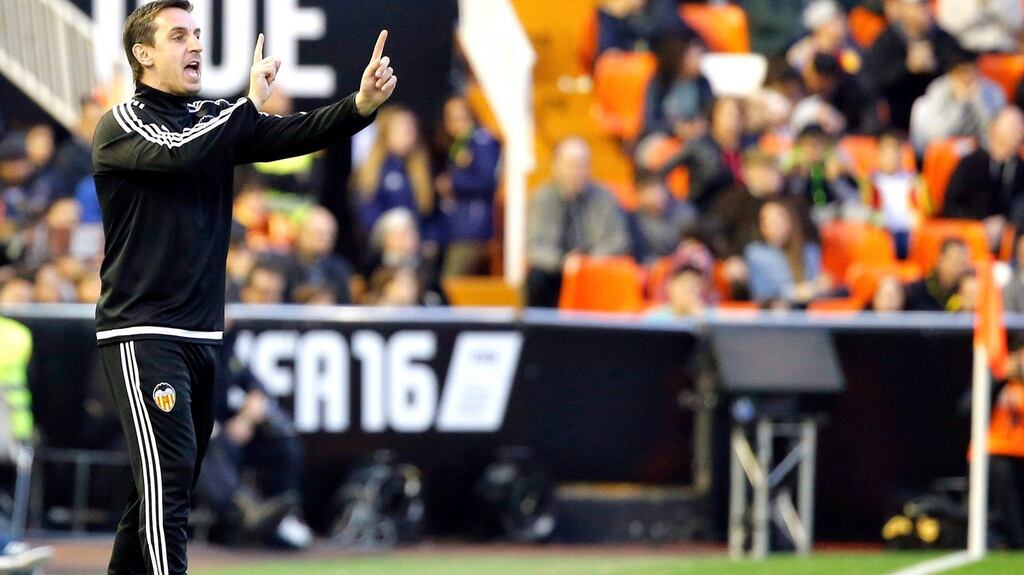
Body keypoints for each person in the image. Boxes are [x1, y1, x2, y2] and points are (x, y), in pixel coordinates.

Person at [91, 2, 394, 573]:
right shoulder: (123, 123)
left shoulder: (214, 119)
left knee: (158, 489)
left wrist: (359, 106)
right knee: (169, 480)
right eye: (178, 36)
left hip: (203, 333)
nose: (195, 45)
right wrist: (247, 105)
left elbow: (289, 134)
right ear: (142, 54)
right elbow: (181, 153)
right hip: (144, 331)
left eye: (196, 33)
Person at [526, 137, 631, 308]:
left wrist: (589, 262)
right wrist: (563, 263)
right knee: (537, 278)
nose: (576, 171)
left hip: (596, 268)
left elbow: (618, 240)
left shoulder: (605, 197)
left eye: (582, 165)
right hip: (557, 268)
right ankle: (541, 324)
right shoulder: (543, 198)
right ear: (556, 166)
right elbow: (535, 247)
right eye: (570, 165)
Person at [864, 0, 962, 130]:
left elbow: (960, 70)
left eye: (926, 4)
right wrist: (907, 67)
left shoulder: (943, 38)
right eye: (917, 6)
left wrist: (935, 66)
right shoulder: (887, 41)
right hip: (900, 122)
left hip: (944, 118)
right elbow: (876, 83)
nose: (924, 11)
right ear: (903, 10)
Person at [433, 96, 501, 277]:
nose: (457, 124)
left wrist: (453, 184)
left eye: (462, 118)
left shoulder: (481, 141)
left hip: (472, 229)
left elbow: (489, 181)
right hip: (457, 227)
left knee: (452, 280)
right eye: (452, 119)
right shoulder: (460, 144)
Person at [941, 106, 1024, 247]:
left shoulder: (1020, 169)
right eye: (1013, 127)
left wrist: (1005, 223)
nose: (1019, 132)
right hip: (969, 236)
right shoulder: (971, 163)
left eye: (1021, 127)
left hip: (1010, 238)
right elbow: (951, 205)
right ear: (994, 129)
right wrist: (981, 224)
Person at [353, 105, 434, 233]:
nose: (408, 134)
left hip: (416, 238)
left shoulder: (424, 170)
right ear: (385, 134)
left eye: (411, 129)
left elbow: (428, 214)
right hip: (381, 237)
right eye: (402, 130)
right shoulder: (371, 170)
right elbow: (366, 211)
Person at [909, 47, 1005, 154]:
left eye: (972, 71)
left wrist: (978, 101)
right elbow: (938, 135)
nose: (968, 77)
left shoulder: (992, 90)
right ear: (953, 73)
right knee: (920, 106)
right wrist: (960, 103)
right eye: (963, 72)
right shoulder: (939, 89)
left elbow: (995, 132)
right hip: (947, 149)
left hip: (982, 149)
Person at [744, 200, 830, 307]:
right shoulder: (755, 254)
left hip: (811, 306)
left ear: (790, 221)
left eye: (780, 218)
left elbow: (819, 282)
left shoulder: (809, 250)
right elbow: (762, 294)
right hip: (776, 308)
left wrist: (823, 285)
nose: (777, 224)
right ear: (762, 226)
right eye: (771, 221)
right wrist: (796, 293)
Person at [863, 130, 930, 258]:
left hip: (909, 232)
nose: (893, 157)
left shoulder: (914, 180)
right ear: (879, 154)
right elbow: (866, 210)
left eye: (896, 152)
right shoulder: (869, 181)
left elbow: (927, 209)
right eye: (888, 153)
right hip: (883, 232)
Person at [280, 206, 354, 305]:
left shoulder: (339, 268)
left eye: (329, 234)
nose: (324, 238)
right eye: (319, 233)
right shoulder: (284, 266)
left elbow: (344, 303)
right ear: (301, 232)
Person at [628, 172, 695, 265]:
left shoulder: (684, 210)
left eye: (656, 186)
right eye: (647, 189)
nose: (654, 194)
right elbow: (642, 257)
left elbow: (694, 243)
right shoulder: (634, 221)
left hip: (687, 264)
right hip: (656, 267)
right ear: (637, 194)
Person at [904, 238, 970, 311]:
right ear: (941, 259)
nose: (960, 267)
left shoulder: (966, 294)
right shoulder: (916, 292)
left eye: (964, 263)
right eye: (956, 261)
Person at [937, 0, 1022, 54]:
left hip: (1004, 54)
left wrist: (991, 6)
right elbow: (947, 28)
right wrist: (978, 8)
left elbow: (1017, 25)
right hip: (966, 55)